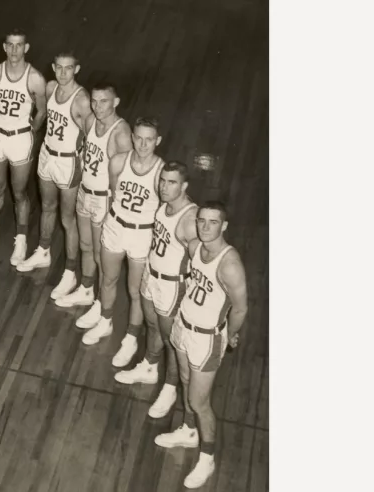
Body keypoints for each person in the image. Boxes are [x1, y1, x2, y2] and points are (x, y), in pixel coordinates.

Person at [154, 201, 248, 489]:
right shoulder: (195, 248)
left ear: (225, 226)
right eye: (202, 221)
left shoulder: (230, 265)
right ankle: (188, 430)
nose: (206, 227)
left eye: (213, 222)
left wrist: (230, 335)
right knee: (184, 380)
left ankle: (207, 459)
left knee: (199, 402)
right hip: (184, 324)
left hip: (207, 337)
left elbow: (241, 308)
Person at [113, 161, 198, 420]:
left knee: (172, 341)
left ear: (183, 186)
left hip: (172, 285)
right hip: (152, 274)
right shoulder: (163, 206)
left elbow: (202, 263)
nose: (164, 186)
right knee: (152, 326)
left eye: (171, 182)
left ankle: (170, 388)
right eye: (162, 180)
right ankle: (149, 366)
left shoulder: (190, 220)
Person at [75, 118, 164, 363]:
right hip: (115, 226)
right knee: (108, 277)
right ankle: (105, 321)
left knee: (135, 290)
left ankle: (131, 339)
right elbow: (114, 191)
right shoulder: (117, 162)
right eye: (139, 138)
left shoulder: (161, 173)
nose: (143, 144)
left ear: (158, 141)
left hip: (142, 233)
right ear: (132, 137)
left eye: (149, 139)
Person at [16, 52, 91, 305]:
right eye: (58, 68)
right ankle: (43, 251)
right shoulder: (49, 87)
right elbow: (45, 117)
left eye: (68, 68)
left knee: (67, 219)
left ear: (76, 69)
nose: (62, 73)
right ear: (53, 68)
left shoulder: (82, 100)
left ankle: (70, 273)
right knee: (47, 207)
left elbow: (91, 138)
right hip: (47, 154)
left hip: (68, 161)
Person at [54, 83, 132, 308]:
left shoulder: (121, 133)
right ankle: (86, 289)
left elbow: (126, 177)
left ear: (115, 102)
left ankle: (101, 304)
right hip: (84, 191)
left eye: (104, 101)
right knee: (86, 246)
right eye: (94, 101)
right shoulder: (90, 121)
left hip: (104, 198)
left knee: (100, 255)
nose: (97, 107)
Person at [0, 29, 47, 264]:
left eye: (19, 45)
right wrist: (1, 123)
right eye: (10, 45)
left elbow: (41, 111)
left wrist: (29, 130)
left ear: (26, 48)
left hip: (19, 139)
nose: (14, 50)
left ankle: (22, 239)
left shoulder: (35, 78)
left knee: (19, 193)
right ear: (4, 47)